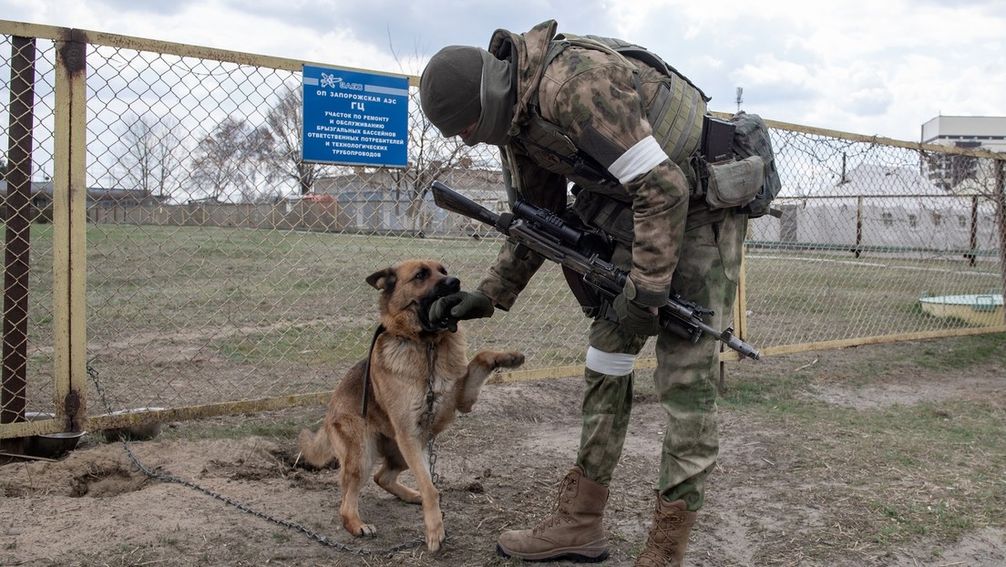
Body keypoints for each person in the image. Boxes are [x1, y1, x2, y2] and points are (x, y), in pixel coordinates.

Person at [419, 19, 757, 566]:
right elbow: (542, 219)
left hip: (700, 211)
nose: (468, 140)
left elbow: (663, 187)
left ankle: (665, 550)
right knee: (607, 358)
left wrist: (645, 292)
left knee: (685, 381)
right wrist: (489, 293)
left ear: (490, 95)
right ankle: (579, 524)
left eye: (469, 127)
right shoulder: (518, 120)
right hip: (634, 214)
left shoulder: (574, 86)